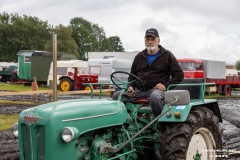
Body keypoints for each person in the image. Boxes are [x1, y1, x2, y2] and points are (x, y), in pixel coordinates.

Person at [112, 28, 184, 116]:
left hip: (156, 90)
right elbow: (132, 76)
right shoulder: (139, 56)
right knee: (117, 96)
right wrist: (131, 87)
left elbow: (179, 75)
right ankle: (126, 121)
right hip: (139, 90)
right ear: (144, 41)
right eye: (147, 39)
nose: (150, 42)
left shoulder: (167, 55)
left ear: (158, 40)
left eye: (152, 39)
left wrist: (166, 86)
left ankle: (161, 122)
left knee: (155, 97)